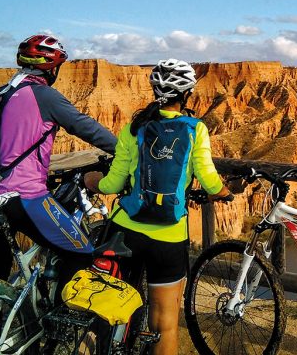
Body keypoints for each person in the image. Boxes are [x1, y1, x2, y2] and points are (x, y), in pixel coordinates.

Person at [84, 58, 231, 355]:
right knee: (163, 325)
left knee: (108, 309)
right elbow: (209, 180)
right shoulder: (195, 129)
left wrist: (92, 182)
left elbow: (112, 185)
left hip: (124, 230)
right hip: (168, 237)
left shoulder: (134, 128)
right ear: (186, 93)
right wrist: (224, 193)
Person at [0, 34, 117, 291]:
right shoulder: (44, 95)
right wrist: (124, 151)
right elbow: (85, 127)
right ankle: (60, 326)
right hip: (24, 196)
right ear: (52, 68)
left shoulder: (4, 92)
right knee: (81, 252)